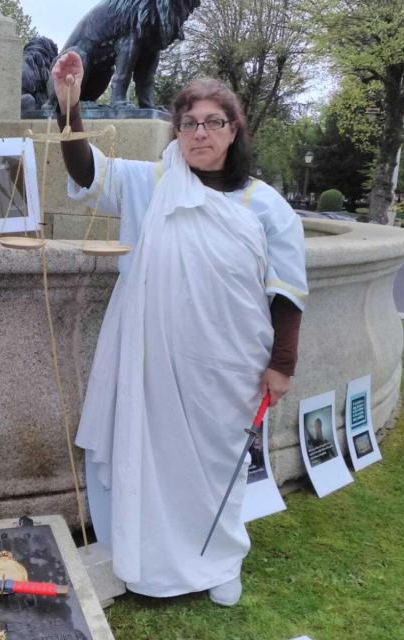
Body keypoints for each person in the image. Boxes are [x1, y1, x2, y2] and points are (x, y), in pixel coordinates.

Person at [52, 52, 308, 605]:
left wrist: (282, 364)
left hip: (227, 367)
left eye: (214, 122)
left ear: (233, 130)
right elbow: (85, 171)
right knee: (145, 457)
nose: (200, 133)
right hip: (150, 361)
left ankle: (218, 563)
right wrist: (69, 108)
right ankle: (142, 559)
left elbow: (286, 293)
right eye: (189, 123)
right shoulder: (152, 184)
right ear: (177, 129)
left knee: (218, 468)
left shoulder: (265, 206)